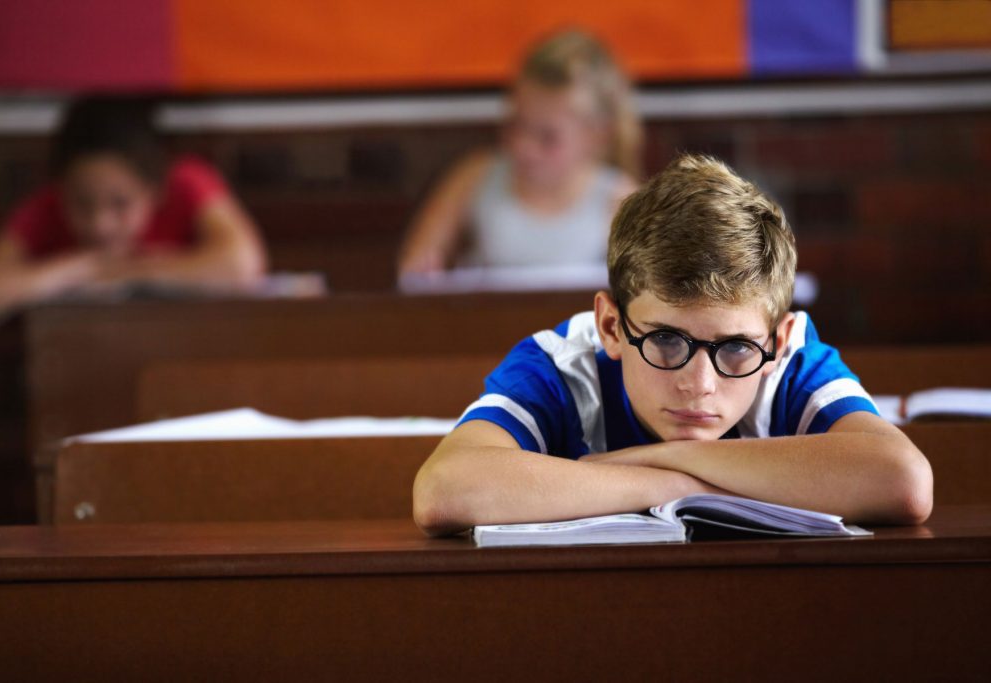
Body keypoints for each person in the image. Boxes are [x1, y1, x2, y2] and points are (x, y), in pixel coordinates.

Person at [413, 154, 933, 536]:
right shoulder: (560, 365)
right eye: (666, 340)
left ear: (777, 339)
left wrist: (651, 457)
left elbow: (903, 482)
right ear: (612, 328)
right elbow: (445, 491)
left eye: (734, 349)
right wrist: (677, 484)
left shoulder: (788, 361)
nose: (699, 385)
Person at [0, 97, 267, 321]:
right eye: (82, 204)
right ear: (62, 189)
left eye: (120, 204)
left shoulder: (185, 181)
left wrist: (125, 270)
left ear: (155, 191)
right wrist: (75, 270)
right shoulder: (48, 205)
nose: (101, 225)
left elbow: (242, 265)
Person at [397, 29, 640, 277]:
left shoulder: (620, 201)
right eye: (516, 124)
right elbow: (413, 271)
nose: (524, 147)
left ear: (598, 136)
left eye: (548, 137)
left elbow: (645, 296)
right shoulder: (474, 177)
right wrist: (424, 274)